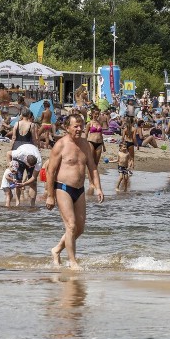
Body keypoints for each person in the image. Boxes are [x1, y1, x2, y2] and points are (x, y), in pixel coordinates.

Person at [45, 113, 104, 270]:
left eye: (81, 126)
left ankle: (57, 249)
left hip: (80, 189)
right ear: (67, 127)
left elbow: (92, 167)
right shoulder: (61, 145)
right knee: (71, 226)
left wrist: (98, 187)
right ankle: (72, 262)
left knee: (80, 228)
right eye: (75, 126)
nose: (79, 129)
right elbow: (50, 171)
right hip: (63, 188)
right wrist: (50, 196)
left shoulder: (85, 144)